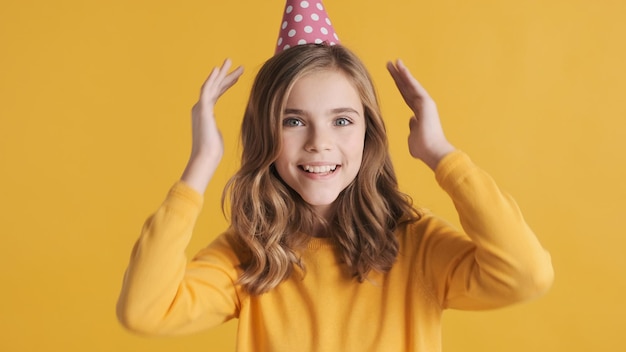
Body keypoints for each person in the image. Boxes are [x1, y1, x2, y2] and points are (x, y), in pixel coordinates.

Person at [116, 43, 553, 351]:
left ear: (369, 132)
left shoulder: (416, 246)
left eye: (342, 121)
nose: (318, 143)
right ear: (265, 134)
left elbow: (525, 274)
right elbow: (143, 311)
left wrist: (442, 156)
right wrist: (201, 164)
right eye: (293, 121)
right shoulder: (247, 255)